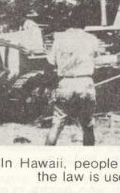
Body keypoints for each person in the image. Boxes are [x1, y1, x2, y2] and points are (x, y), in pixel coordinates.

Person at [45, 18, 99, 146]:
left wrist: (49, 86)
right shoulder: (92, 39)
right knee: (88, 126)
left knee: (57, 124)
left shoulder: (59, 39)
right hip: (85, 82)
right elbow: (96, 61)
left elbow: (49, 64)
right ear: (84, 24)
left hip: (66, 82)